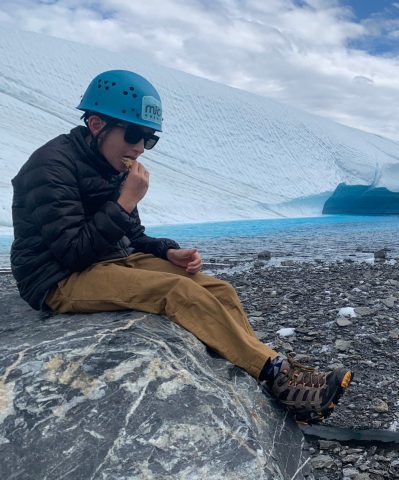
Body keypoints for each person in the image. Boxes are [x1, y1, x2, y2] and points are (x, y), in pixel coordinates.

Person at [10, 69, 352, 423]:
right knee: (176, 292)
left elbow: (133, 236)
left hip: (106, 259)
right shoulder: (50, 166)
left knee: (219, 289)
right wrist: (125, 201)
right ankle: (275, 377)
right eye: (133, 134)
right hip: (57, 277)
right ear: (97, 125)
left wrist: (166, 251)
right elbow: (72, 251)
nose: (140, 148)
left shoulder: (112, 164)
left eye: (149, 138)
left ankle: (277, 373)